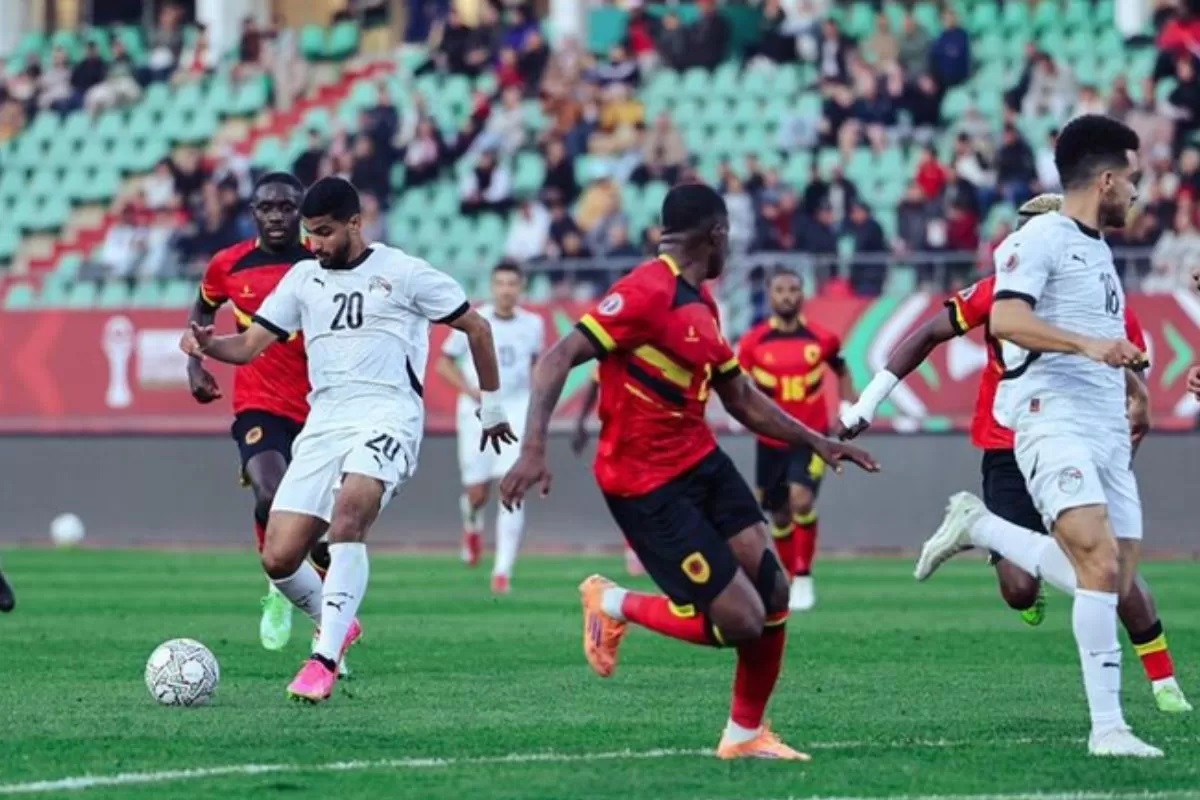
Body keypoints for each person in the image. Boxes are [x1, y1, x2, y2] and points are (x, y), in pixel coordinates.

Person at [499, 183, 878, 760]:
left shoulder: (701, 302)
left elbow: (741, 396)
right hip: (645, 484)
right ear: (717, 235)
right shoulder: (646, 291)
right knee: (742, 622)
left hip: (700, 461)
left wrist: (816, 440)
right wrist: (532, 449)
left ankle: (745, 736)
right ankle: (612, 603)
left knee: (773, 593)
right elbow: (558, 358)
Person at [840, 193, 1192, 714]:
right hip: (1008, 446)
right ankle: (988, 533)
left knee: (1111, 565)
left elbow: (1131, 394)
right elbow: (929, 334)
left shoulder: (1103, 297)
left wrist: (1123, 442)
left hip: (1075, 440)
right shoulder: (1000, 295)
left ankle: (1164, 683)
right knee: (1020, 592)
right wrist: (868, 403)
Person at [181, 177, 515, 703]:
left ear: (356, 224)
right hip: (325, 421)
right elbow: (247, 347)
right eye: (309, 234)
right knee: (278, 558)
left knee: (348, 519)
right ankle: (336, 618)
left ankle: (324, 658)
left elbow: (477, 328)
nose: (314, 244)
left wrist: (491, 408)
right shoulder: (303, 278)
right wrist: (207, 346)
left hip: (388, 416)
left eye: (324, 233)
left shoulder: (402, 273)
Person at [908, 116, 1163, 757]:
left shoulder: (1098, 250)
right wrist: (1089, 344)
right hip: (1053, 418)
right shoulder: (1040, 237)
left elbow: (1102, 342)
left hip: (1103, 427)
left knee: (1112, 576)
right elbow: (1009, 317)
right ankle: (1109, 729)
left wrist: (1132, 388)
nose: (1136, 192)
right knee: (1099, 565)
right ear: (1106, 179)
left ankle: (981, 527)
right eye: (1131, 179)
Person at [187, 172, 327, 656]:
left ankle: (326, 631)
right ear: (253, 213)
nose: (276, 216)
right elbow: (201, 313)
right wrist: (195, 364)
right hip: (259, 402)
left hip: (321, 406)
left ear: (301, 212)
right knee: (272, 492)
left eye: (287, 207)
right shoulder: (229, 265)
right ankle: (279, 581)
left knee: (322, 528)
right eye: (267, 208)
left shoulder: (321, 262)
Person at [737, 270, 856, 611]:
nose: (787, 295)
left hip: (811, 437)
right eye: (780, 290)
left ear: (802, 294)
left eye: (793, 289)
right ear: (769, 295)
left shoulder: (822, 339)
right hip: (770, 440)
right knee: (779, 515)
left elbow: (843, 370)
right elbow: (738, 386)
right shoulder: (752, 342)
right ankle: (790, 579)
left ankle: (803, 576)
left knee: (801, 500)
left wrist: (847, 408)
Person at [435, 261, 544, 594]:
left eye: (513, 283)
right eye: (500, 283)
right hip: (476, 411)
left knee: (512, 487)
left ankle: (502, 570)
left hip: (515, 408)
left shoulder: (534, 324)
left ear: (521, 287)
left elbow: (537, 367)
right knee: (478, 492)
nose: (506, 290)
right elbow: (443, 364)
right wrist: (472, 392)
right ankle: (471, 520)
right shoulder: (472, 319)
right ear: (492, 287)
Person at [570, 371, 646, 577]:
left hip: (656, 429)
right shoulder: (614, 347)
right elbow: (595, 382)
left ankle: (640, 548)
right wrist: (580, 421)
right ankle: (633, 548)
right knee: (630, 492)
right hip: (621, 433)